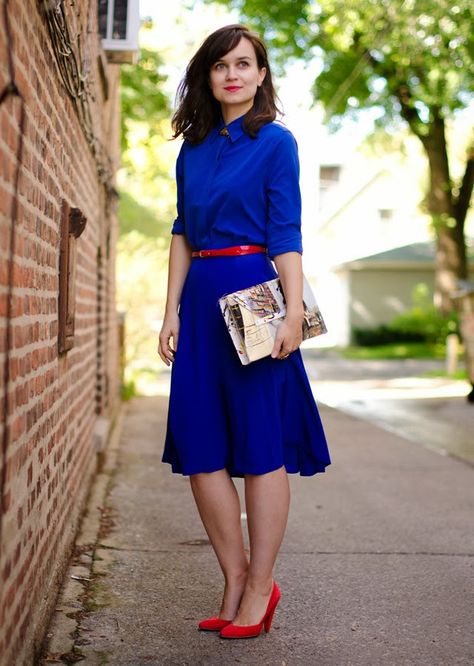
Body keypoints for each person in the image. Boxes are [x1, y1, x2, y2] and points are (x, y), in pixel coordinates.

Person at [158, 24, 330, 640]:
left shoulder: (276, 143)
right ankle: (232, 579)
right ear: (207, 76)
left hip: (254, 294)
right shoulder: (192, 148)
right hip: (200, 301)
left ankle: (262, 586)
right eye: (220, 65)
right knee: (202, 451)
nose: (232, 74)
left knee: (260, 448)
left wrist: (291, 312)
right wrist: (170, 309)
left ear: (261, 76)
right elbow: (181, 231)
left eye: (244, 64)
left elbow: (285, 233)